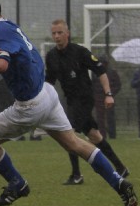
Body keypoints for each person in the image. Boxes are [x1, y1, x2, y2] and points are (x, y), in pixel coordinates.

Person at [0, 0, 137, 206]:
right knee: (74, 143)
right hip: (47, 94)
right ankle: (119, 183)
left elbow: (1, 65)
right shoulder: (9, 26)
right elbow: (13, 64)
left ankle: (18, 183)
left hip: (30, 106)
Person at [43, 19, 129, 185]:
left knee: (68, 133)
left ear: (67, 34)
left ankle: (76, 175)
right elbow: (50, 81)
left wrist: (108, 94)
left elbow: (100, 71)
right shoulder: (51, 56)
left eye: (60, 32)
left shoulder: (80, 52)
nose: (57, 36)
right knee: (94, 135)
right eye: (54, 33)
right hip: (70, 100)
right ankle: (120, 167)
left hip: (84, 98)